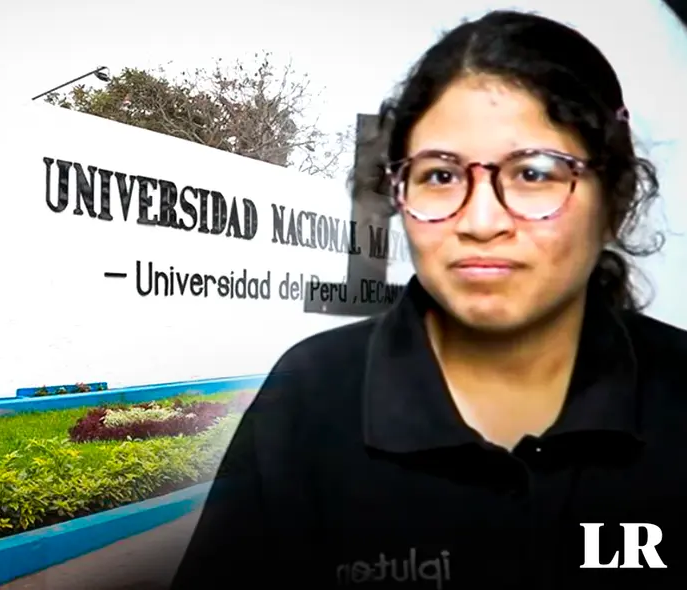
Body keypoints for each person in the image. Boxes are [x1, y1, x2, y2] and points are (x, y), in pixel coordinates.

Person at [171, 10, 687, 590]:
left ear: (613, 198)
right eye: (440, 176)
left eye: (535, 173)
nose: (482, 220)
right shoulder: (310, 398)